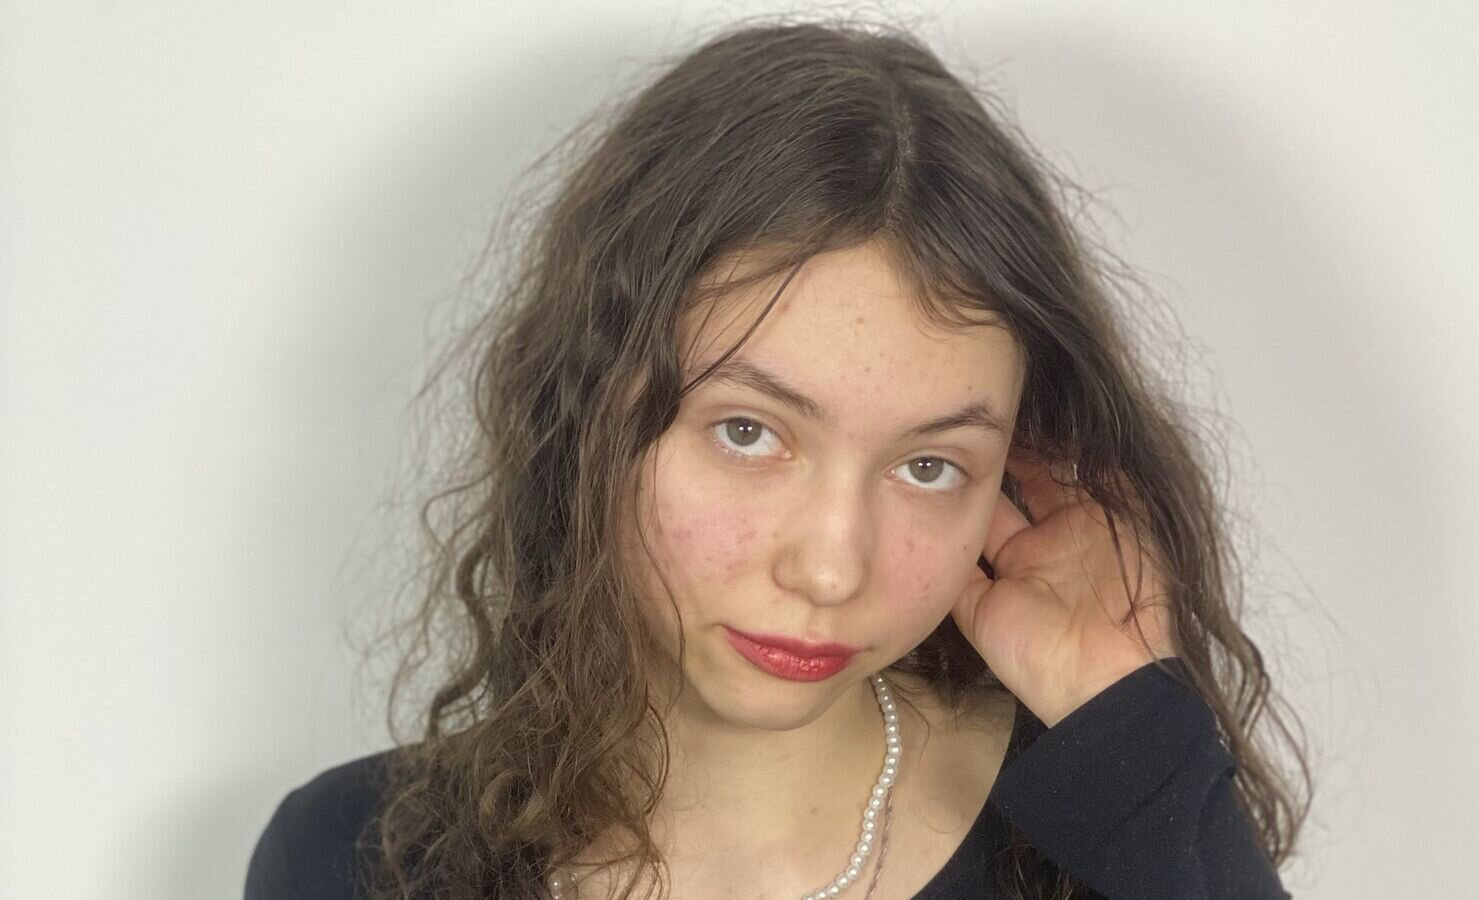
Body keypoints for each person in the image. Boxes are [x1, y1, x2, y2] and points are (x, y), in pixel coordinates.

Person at [245, 16, 1310, 900]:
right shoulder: (353, 861)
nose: (831, 568)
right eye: (749, 433)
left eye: (929, 466)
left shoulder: (1111, 837)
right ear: (591, 413)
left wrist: (1131, 734)